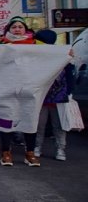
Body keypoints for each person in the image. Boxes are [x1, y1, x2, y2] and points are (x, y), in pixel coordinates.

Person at [0, 16, 40, 167]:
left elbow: (53, 54)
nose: (17, 29)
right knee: (7, 118)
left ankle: (30, 153)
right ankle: (6, 152)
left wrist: (67, 54)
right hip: (7, 87)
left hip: (29, 87)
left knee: (29, 118)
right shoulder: (1, 43)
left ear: (25, 29)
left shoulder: (36, 43)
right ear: (9, 29)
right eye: (14, 27)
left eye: (20, 27)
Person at [34, 29, 73, 161]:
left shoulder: (64, 55)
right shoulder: (36, 57)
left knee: (59, 125)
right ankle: (37, 147)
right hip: (41, 97)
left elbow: (69, 76)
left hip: (59, 97)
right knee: (39, 125)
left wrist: (68, 93)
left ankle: (60, 149)